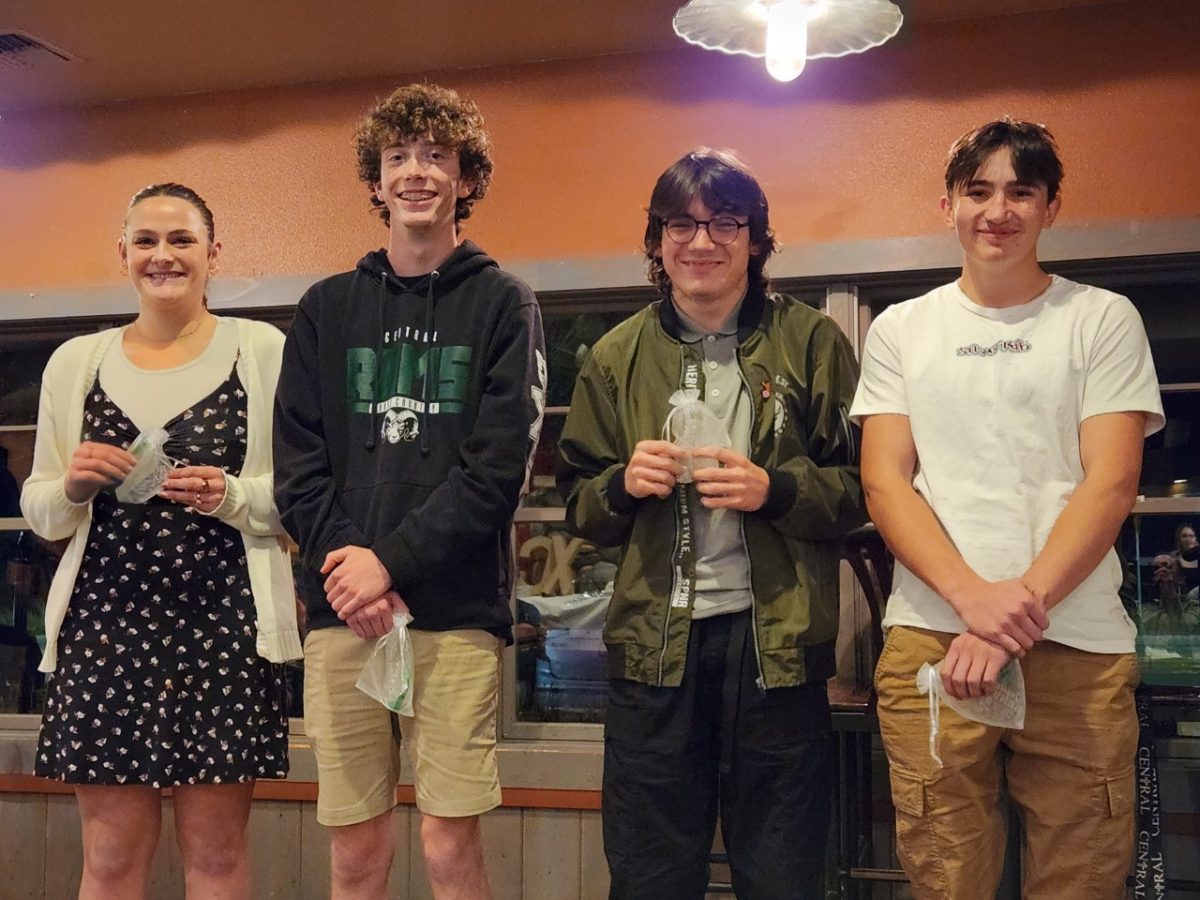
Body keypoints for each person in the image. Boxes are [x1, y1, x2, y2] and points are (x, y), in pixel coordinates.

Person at [851, 119, 1165, 899]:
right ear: (949, 203)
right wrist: (972, 601)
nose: (999, 210)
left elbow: (1111, 483)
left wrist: (1009, 612)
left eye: (1021, 191)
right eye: (979, 190)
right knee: (943, 874)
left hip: (1077, 644)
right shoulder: (901, 329)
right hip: (933, 636)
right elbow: (885, 483)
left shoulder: (1102, 318)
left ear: (1050, 207)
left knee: (1082, 876)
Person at [557, 148, 865, 899]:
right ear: (657, 241)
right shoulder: (614, 356)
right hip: (652, 653)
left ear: (756, 239)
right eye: (681, 225)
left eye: (725, 223)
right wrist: (623, 485)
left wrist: (778, 489)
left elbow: (865, 491)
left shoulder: (812, 343)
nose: (702, 242)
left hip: (779, 649)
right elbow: (578, 505)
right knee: (650, 871)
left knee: (785, 869)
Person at [273, 83, 545, 900]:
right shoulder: (326, 308)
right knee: (355, 856)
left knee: (447, 850)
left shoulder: (504, 303)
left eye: (436, 156)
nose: (416, 172)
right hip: (340, 614)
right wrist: (348, 574)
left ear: (467, 178)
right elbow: (298, 466)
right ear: (376, 180)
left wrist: (385, 563)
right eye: (398, 158)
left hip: (455, 615)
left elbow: (497, 471)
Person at [20, 182, 301, 900]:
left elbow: (300, 499)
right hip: (104, 631)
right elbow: (45, 512)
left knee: (216, 856)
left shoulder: (262, 349)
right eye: (146, 241)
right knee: (110, 862)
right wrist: (75, 484)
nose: (163, 255)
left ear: (214, 251)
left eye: (181, 240)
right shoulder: (75, 362)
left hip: (225, 627)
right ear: (123, 255)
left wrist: (231, 494)